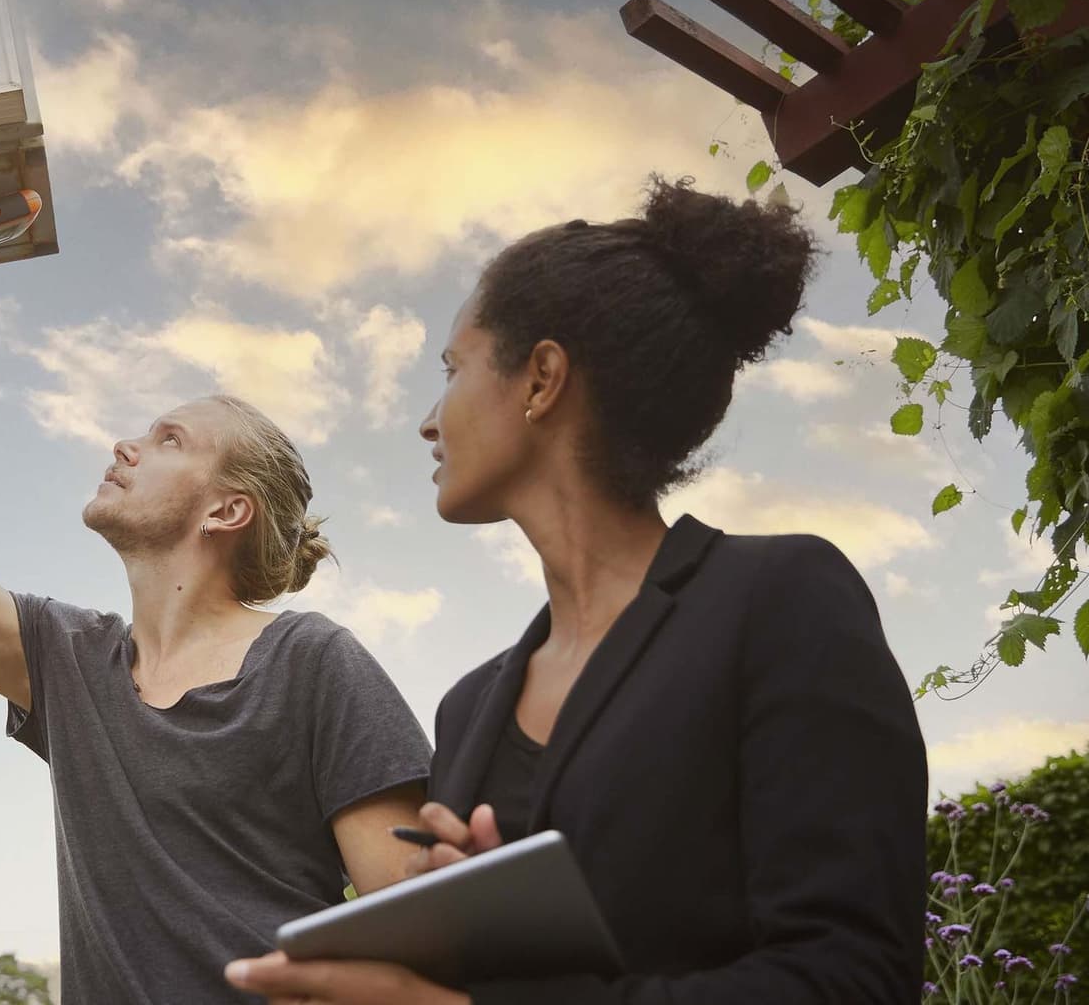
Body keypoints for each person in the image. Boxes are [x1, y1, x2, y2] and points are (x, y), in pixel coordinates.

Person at [226, 178, 929, 1004]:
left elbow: (854, 980)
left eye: (452, 369)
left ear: (541, 379)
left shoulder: (780, 600)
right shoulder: (467, 709)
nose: (428, 420)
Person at [0, 220, 434, 1004]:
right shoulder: (65, 662)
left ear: (226, 512)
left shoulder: (313, 664)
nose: (125, 445)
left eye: (168, 439)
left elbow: (411, 937)